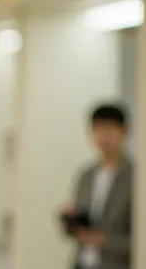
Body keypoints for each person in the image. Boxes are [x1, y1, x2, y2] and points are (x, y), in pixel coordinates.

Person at [60, 104, 133, 269]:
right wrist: (71, 221)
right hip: (82, 262)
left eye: (110, 130)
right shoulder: (86, 175)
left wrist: (105, 241)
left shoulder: (135, 177)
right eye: (98, 130)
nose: (104, 137)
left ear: (125, 131)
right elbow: (78, 229)